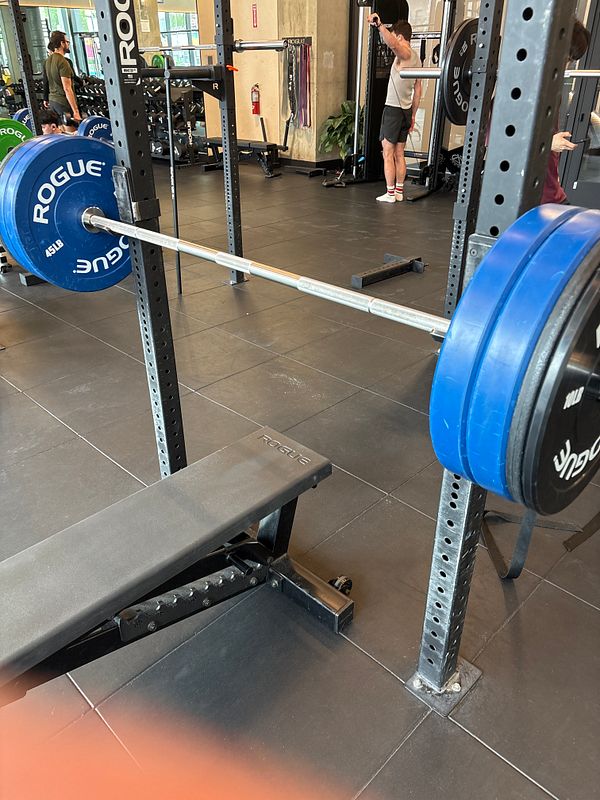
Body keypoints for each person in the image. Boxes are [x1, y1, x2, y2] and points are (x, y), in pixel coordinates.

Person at [367, 15, 422, 203]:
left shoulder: (404, 53)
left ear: (400, 37)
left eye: (395, 36)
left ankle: (390, 194)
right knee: (399, 153)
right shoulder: (417, 59)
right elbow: (418, 90)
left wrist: (380, 26)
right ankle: (398, 191)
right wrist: (413, 114)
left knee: (388, 152)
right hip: (406, 110)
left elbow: (393, 45)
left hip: (393, 109)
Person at [542, 18, 591, 204]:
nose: (567, 66)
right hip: (531, 200)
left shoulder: (552, 90)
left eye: (570, 61)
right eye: (567, 59)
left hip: (552, 193)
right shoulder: (519, 89)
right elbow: (499, 141)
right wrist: (547, 144)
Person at [44, 31, 81, 123]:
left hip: (52, 101)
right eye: (67, 42)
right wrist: (76, 111)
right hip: (62, 103)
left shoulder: (47, 61)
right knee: (72, 134)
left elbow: (46, 81)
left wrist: (45, 98)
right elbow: (67, 88)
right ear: (62, 43)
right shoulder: (63, 62)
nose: (68, 44)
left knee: (61, 133)